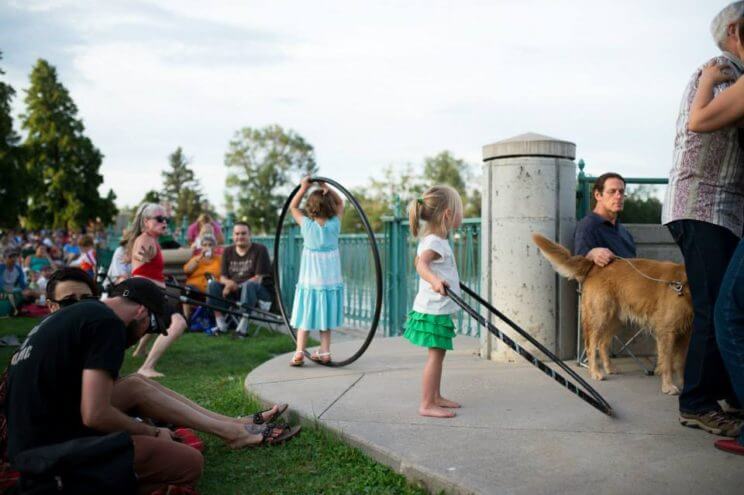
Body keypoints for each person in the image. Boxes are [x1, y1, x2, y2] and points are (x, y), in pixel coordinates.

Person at [5, 276, 298, 494]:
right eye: (154, 328)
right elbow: (95, 414)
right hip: (48, 450)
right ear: (142, 313)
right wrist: (153, 431)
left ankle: (233, 428)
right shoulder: (106, 325)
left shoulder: (81, 314)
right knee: (188, 463)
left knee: (135, 384)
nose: (145, 335)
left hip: (36, 430)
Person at [661, 2, 744, 439]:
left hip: (720, 209)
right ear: (736, 31)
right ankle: (696, 402)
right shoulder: (724, 70)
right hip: (702, 206)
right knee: (717, 306)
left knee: (727, 306)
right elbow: (698, 126)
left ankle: (724, 394)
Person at [403, 185, 464, 418]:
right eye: (460, 211)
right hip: (433, 309)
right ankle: (427, 403)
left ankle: (435, 396)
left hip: (437, 308)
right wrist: (436, 281)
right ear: (448, 214)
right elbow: (420, 265)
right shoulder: (435, 243)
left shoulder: (435, 239)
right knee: (435, 356)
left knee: (438, 354)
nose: (462, 215)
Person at [287, 177, 345, 366]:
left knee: (305, 316)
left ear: (310, 208)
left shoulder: (307, 224)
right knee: (325, 317)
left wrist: (303, 188)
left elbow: (293, 207)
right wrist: (326, 187)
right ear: (330, 207)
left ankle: (298, 353)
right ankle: (325, 351)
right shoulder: (335, 223)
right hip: (329, 281)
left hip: (310, 281)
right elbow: (341, 202)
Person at [128, 203, 187, 378]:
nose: (164, 223)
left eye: (166, 220)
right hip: (146, 292)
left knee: (160, 321)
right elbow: (141, 253)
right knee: (178, 323)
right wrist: (141, 256)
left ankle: (140, 351)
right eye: (160, 219)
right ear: (146, 221)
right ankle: (146, 367)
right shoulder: (146, 239)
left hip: (151, 291)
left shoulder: (151, 239)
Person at [207, 222, 273, 337]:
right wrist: (229, 284)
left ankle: (242, 329)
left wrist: (237, 286)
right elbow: (223, 277)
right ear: (233, 236)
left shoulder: (260, 250)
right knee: (213, 285)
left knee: (250, 285)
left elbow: (258, 279)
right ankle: (221, 326)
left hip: (259, 294)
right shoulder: (227, 251)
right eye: (237, 234)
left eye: (243, 233)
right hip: (235, 292)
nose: (240, 237)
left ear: (250, 235)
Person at [574, 172, 636, 267]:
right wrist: (592, 254)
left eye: (621, 192)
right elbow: (578, 262)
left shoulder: (625, 232)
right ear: (598, 195)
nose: (619, 196)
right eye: (612, 191)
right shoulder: (587, 226)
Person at [182, 235, 221, 320]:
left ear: (215, 247)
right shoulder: (196, 259)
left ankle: (209, 318)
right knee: (186, 289)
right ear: (201, 247)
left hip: (211, 291)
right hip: (195, 291)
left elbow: (223, 275)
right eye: (205, 245)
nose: (207, 247)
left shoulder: (219, 260)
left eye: (210, 245)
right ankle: (186, 320)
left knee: (211, 287)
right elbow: (187, 270)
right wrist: (200, 257)